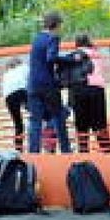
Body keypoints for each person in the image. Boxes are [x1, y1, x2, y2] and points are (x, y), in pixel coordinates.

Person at [27, 11, 73, 153]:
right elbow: (51, 58)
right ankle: (66, 150)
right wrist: (69, 59)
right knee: (59, 117)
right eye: (60, 24)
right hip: (48, 85)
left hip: (33, 84)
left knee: (36, 121)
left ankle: (34, 153)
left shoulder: (37, 38)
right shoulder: (53, 38)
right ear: (56, 24)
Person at [69, 34, 110, 153]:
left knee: (81, 123)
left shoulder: (72, 55)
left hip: (79, 89)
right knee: (100, 122)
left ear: (76, 43)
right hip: (96, 89)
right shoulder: (96, 54)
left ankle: (83, 151)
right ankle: (106, 150)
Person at [0, 58, 30, 150]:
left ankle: (18, 148)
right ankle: (39, 142)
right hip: (21, 90)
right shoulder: (24, 67)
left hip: (8, 96)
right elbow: (32, 79)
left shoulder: (6, 74)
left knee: (18, 124)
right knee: (37, 115)